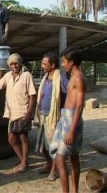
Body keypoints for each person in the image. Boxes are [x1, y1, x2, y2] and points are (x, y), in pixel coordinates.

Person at [0, 53, 36, 173]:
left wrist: (29, 112)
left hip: (23, 112)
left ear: (20, 63)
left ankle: (24, 163)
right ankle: (24, 161)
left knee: (23, 138)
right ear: (9, 65)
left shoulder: (26, 75)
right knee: (12, 139)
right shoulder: (8, 76)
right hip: (12, 113)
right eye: (12, 64)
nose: (14, 66)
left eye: (16, 63)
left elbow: (32, 95)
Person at [49, 46, 86, 193]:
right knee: (73, 158)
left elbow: (80, 105)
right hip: (66, 117)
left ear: (71, 62)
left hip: (72, 120)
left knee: (60, 159)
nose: (62, 64)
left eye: (64, 61)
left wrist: (71, 130)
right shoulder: (72, 76)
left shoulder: (79, 78)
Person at [34, 52, 69, 181]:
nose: (42, 65)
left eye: (44, 63)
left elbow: (67, 95)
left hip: (54, 117)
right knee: (42, 145)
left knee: (53, 147)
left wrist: (64, 114)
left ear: (52, 65)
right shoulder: (45, 78)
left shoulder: (61, 78)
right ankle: (49, 165)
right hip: (43, 114)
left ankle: (55, 171)